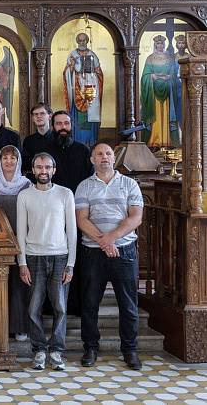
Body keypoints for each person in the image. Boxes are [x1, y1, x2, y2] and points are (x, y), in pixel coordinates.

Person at [75, 142, 144, 371]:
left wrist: (111, 238)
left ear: (114, 158)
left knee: (128, 304)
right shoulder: (84, 186)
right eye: (99, 154)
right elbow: (82, 219)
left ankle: (130, 350)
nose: (104, 157)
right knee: (90, 303)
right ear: (92, 159)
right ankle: (91, 348)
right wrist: (103, 242)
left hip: (124, 251)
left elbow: (135, 218)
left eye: (108, 153)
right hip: (92, 253)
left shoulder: (129, 184)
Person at [18, 149, 77, 372]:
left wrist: (71, 263)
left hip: (60, 256)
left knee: (60, 306)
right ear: (33, 170)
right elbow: (21, 231)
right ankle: (39, 350)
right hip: (34, 257)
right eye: (39, 167)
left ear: (54, 170)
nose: (43, 171)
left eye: (47, 167)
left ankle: (56, 350)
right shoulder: (25, 195)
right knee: (34, 307)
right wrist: (21, 263)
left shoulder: (65, 194)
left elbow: (71, 231)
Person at [0, 145, 31, 342]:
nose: (8, 161)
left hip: (21, 238)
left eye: (12, 158)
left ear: (18, 161)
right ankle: (1, 326)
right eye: (4, 158)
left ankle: (21, 326)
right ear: (0, 161)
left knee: (19, 283)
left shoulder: (26, 184)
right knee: (0, 282)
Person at [63, 33, 104, 147]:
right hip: (77, 89)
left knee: (90, 113)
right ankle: (77, 142)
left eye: (84, 41)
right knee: (78, 118)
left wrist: (93, 75)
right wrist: (71, 67)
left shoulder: (92, 55)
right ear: (77, 41)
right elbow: (67, 72)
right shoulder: (73, 54)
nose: (82, 43)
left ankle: (90, 142)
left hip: (90, 87)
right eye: (79, 41)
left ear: (87, 41)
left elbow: (99, 72)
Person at [141, 35, 180, 147]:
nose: (160, 46)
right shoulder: (150, 58)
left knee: (166, 115)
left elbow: (173, 74)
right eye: (158, 43)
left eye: (162, 43)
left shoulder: (170, 59)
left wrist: (168, 77)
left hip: (167, 91)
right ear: (155, 45)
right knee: (156, 116)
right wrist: (152, 76)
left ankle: (167, 141)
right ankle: (154, 141)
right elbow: (145, 76)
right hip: (153, 92)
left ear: (165, 45)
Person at [45, 110, 92, 194]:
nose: (63, 127)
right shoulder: (46, 151)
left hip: (79, 197)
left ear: (71, 126)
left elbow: (91, 176)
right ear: (52, 127)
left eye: (66, 123)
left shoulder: (83, 150)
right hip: (52, 198)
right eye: (59, 123)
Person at [21, 103, 53, 179]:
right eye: (36, 114)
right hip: (35, 181)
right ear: (33, 118)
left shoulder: (58, 139)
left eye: (42, 113)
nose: (39, 116)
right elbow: (26, 164)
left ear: (50, 116)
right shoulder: (28, 141)